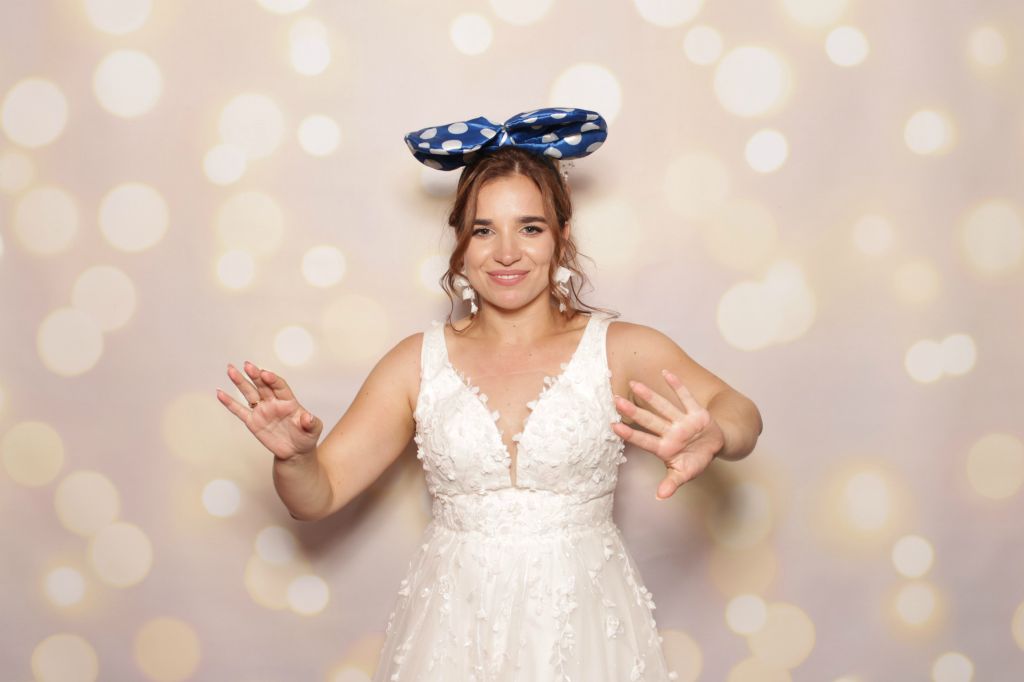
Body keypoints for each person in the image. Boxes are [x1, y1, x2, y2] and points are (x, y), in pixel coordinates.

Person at [216, 107, 763, 681]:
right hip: (454, 636)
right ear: (461, 241)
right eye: (484, 230)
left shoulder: (621, 348)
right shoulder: (415, 363)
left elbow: (741, 414)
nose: (506, 252)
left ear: (562, 237)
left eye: (530, 227)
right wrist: (296, 458)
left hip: (584, 634)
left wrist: (717, 432)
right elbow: (317, 496)